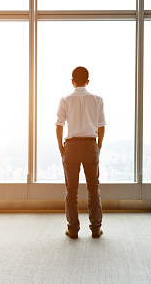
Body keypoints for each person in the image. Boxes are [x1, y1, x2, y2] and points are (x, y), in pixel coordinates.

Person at [56, 66, 106, 239]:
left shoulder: (65, 100)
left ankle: (73, 229)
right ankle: (95, 229)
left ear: (72, 81)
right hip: (91, 145)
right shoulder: (98, 99)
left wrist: (62, 148)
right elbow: (101, 126)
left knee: (71, 190)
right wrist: (98, 146)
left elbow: (59, 125)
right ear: (88, 81)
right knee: (93, 188)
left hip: (71, 147)